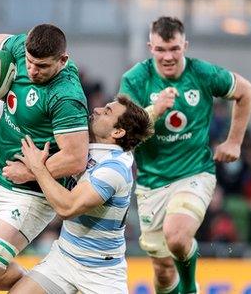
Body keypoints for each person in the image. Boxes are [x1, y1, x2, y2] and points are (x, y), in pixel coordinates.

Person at [118, 16, 251, 294]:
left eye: (174, 49)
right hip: (151, 183)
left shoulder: (202, 74)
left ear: (185, 45)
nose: (168, 56)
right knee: (164, 270)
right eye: (161, 50)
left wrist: (234, 142)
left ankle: (191, 288)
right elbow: (122, 130)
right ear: (150, 47)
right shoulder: (135, 79)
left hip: (195, 174)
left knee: (177, 237)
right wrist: (155, 110)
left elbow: (245, 91)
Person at [0, 24, 89, 292]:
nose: (32, 70)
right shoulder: (21, 46)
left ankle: (46, 288)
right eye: (29, 62)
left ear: (63, 60)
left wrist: (30, 172)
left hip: (30, 194)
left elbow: (75, 159)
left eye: (41, 66)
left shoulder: (67, 96)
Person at [10, 95, 153, 294]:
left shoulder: (114, 169)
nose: (97, 109)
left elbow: (67, 208)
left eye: (107, 112)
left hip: (101, 273)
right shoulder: (86, 144)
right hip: (65, 257)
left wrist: (36, 168)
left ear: (118, 132)